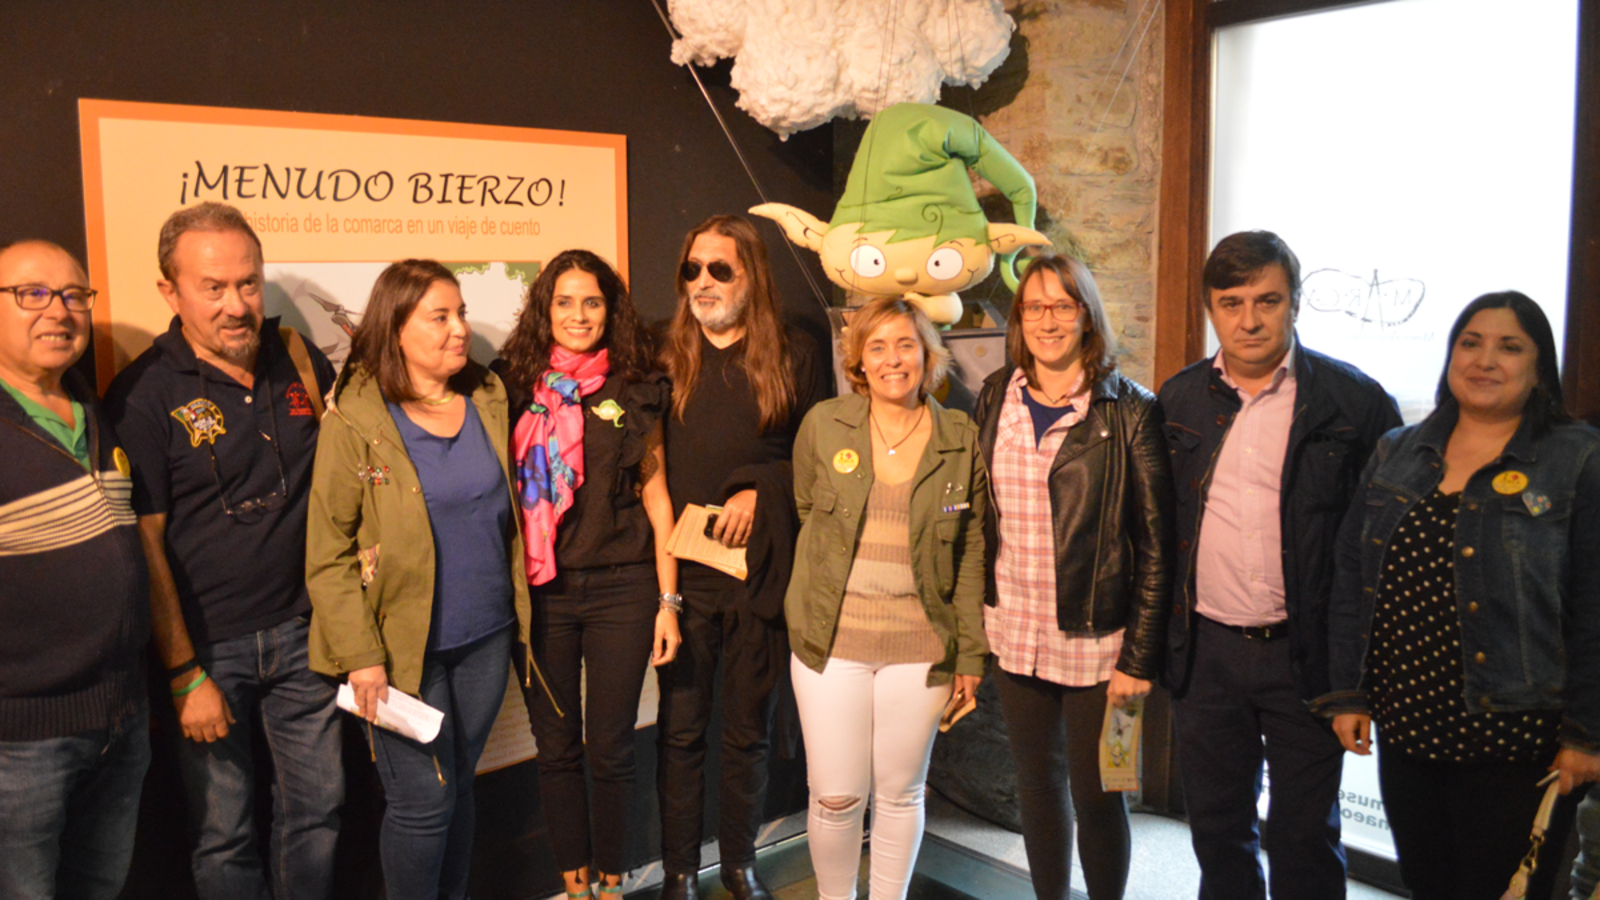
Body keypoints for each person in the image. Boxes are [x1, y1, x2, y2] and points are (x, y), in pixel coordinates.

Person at [1318, 292, 1600, 900]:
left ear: (1538, 366)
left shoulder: (1575, 459)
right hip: (1409, 729)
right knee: (1428, 884)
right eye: (1470, 343)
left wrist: (1586, 732)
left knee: (1499, 889)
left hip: (1516, 738)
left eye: (1509, 346)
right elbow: (1351, 575)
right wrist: (1349, 691)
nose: (1485, 359)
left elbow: (1595, 606)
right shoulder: (1399, 449)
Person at [105, 203, 342, 900]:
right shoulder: (144, 394)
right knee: (224, 833)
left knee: (320, 813)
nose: (236, 304)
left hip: (306, 637)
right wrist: (182, 674)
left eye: (248, 282)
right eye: (213, 287)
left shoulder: (296, 357)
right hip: (209, 653)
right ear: (169, 291)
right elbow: (143, 543)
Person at [1159, 230, 1400, 900]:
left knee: (1303, 834)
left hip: (1307, 654)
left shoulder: (1353, 405)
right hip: (1206, 653)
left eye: (1267, 300)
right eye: (1231, 302)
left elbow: (1375, 550)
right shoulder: (1177, 403)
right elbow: (1151, 532)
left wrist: (1361, 674)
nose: (1249, 318)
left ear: (1294, 303)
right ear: (1211, 308)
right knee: (1217, 828)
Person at [305, 259, 531, 900]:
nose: (460, 329)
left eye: (460, 313)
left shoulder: (486, 400)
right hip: (399, 654)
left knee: (457, 788)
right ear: (396, 328)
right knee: (422, 805)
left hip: (485, 638)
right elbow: (327, 555)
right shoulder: (355, 422)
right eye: (440, 317)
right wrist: (361, 658)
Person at [972, 255, 1173, 900]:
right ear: (1019, 318)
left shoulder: (1130, 410)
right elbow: (981, 519)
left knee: (1102, 791)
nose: (1048, 320)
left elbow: (1156, 546)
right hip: (1015, 634)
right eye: (1035, 307)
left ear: (1087, 315)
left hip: (1102, 646)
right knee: (1037, 785)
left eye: (1064, 305)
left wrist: (1139, 658)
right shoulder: (996, 395)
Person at [492, 250, 681, 899]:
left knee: (610, 747)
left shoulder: (635, 386)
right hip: (542, 595)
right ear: (545, 308)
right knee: (556, 746)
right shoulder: (512, 385)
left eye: (592, 302)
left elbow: (658, 501)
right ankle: (573, 879)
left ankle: (613, 877)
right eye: (565, 302)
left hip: (624, 590)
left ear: (611, 309)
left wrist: (668, 601)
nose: (578, 316)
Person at [785, 296, 986, 900]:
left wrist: (970, 657)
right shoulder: (824, 424)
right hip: (832, 643)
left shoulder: (960, 435)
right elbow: (805, 512)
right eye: (877, 346)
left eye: (906, 344)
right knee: (837, 795)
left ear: (928, 355)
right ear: (858, 360)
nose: (893, 359)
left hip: (921, 647)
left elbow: (972, 549)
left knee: (901, 793)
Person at [655, 214, 829, 900]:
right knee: (681, 731)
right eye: (692, 269)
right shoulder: (665, 357)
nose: (702, 282)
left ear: (751, 275)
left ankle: (738, 865)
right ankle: (676, 871)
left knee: (747, 733)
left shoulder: (797, 352)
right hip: (686, 578)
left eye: (719, 269)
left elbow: (816, 460)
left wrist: (762, 489)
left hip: (761, 573)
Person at [0, 240, 151, 900]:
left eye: (74, 296)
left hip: (121, 718)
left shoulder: (94, 412)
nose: (59, 311)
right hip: (24, 742)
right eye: (32, 293)